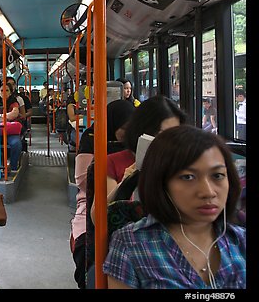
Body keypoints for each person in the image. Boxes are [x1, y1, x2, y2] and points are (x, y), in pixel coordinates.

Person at [103, 125, 246, 289]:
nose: (208, 192)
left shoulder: (241, 242)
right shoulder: (131, 245)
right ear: (161, 183)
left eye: (218, 176)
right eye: (188, 177)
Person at [90, 95, 187, 223]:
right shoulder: (113, 163)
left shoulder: (185, 164)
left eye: (175, 135)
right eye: (161, 135)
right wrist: (126, 182)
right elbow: (97, 217)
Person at [70, 99, 135, 288]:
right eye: (124, 127)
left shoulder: (137, 148)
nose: (127, 132)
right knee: (87, 258)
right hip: (89, 203)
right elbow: (82, 180)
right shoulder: (92, 138)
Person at [0, 82, 22, 172]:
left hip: (10, 131)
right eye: (1, 90)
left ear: (10, 92)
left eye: (7, 90)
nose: (4, 92)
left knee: (16, 144)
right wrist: (6, 116)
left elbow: (14, 114)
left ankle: (13, 166)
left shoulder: (14, 103)